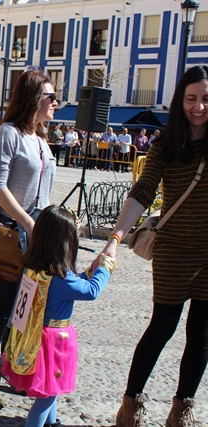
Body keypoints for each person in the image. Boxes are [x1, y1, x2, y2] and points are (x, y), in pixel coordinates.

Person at [103, 65, 208, 427]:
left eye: (206, 99)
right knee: (163, 325)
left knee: (202, 335)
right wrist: (116, 237)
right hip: (174, 248)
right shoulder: (166, 145)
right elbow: (143, 192)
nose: (198, 107)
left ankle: (182, 409)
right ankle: (131, 404)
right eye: (191, 99)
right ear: (180, 101)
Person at [0, 69, 57, 408]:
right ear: (33, 99)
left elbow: (45, 191)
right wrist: (27, 222)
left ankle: (9, 368)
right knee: (5, 306)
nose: (56, 103)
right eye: (50, 97)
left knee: (25, 307)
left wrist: (51, 225)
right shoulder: (8, 134)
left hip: (37, 233)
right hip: (10, 231)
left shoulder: (41, 139)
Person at [0, 205, 115, 427]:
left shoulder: (36, 266)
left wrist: (89, 272)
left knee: (50, 388)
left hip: (33, 336)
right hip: (53, 342)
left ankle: (52, 423)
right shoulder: (61, 277)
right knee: (47, 395)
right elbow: (91, 291)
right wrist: (105, 267)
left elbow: (74, 283)